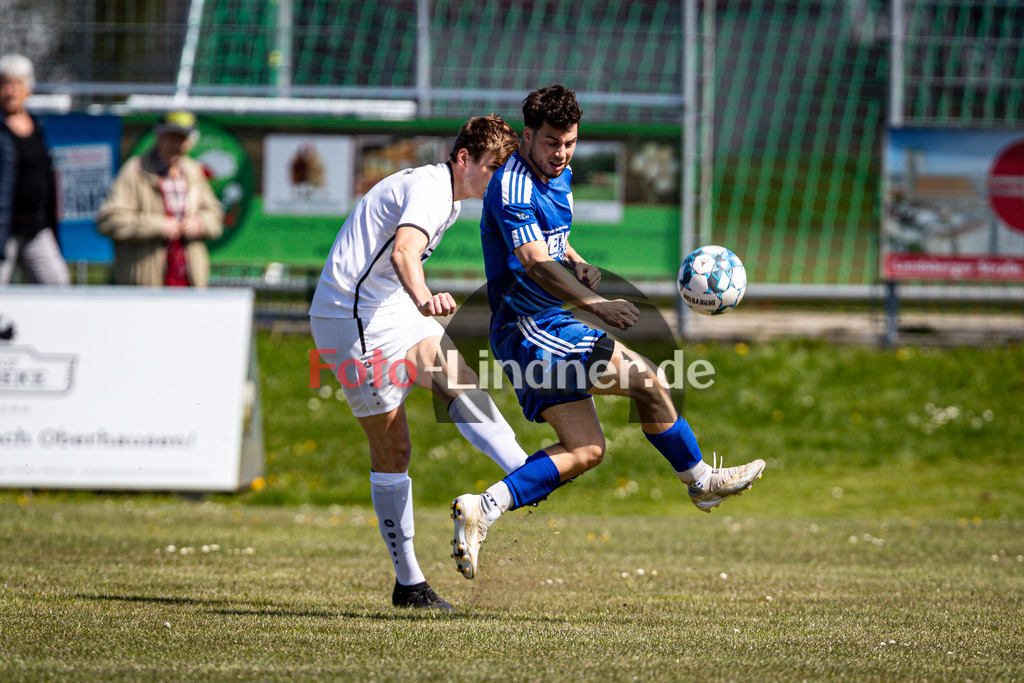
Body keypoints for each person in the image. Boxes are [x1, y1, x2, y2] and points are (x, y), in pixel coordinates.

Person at [450, 85, 766, 580]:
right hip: (529, 328)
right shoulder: (511, 187)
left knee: (585, 450)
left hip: (541, 325)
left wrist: (576, 260)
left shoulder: (560, 173)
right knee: (649, 380)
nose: (562, 153)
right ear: (527, 136)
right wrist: (596, 304)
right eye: (552, 142)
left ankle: (482, 508)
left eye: (570, 142)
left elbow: (551, 243)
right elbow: (534, 262)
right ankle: (701, 480)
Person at [308, 114, 525, 611]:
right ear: (464, 158)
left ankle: (525, 474)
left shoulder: (450, 196)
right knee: (394, 450)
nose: (498, 178)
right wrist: (425, 297)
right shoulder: (431, 189)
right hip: (351, 320)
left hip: (390, 308)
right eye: (493, 167)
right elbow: (405, 253)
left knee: (460, 380)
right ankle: (409, 584)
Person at [96, 110, 223, 287]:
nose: (176, 145)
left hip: (188, 283)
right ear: (158, 135)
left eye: (182, 138)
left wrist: (200, 223)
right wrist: (157, 225)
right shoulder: (135, 171)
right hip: (144, 284)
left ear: (191, 141)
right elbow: (108, 220)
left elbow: (215, 216)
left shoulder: (193, 171)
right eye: (171, 137)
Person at [0, 54, 70, 286]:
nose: (11, 91)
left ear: (28, 89)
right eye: (5, 84)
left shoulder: (38, 127)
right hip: (4, 230)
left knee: (57, 285)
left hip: (36, 229)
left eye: (17, 84)